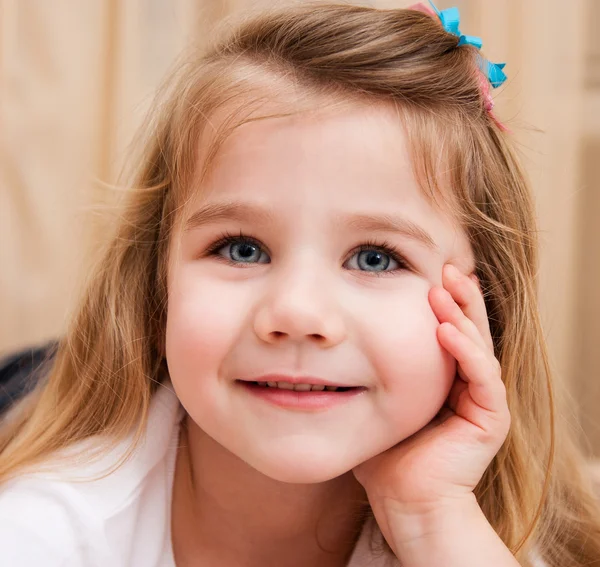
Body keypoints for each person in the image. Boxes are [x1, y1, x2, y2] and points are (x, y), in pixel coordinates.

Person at [0, 1, 598, 566]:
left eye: (374, 259)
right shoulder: (40, 528)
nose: (298, 311)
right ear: (155, 294)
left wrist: (431, 516)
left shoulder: (474, 536)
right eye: (242, 249)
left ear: (485, 309)